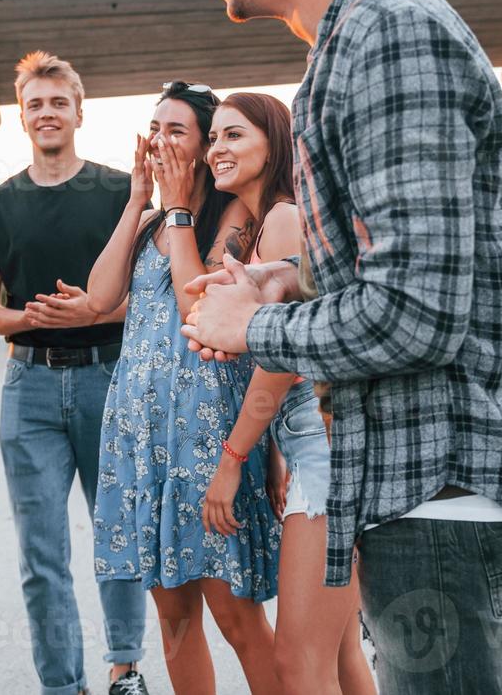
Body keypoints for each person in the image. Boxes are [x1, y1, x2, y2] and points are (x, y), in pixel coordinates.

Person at [171, 0, 502, 694]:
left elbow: (421, 314)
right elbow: (401, 268)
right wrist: (291, 277)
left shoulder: (387, 38)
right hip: (411, 493)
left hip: (446, 499)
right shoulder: (346, 47)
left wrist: (254, 330)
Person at [87, 82, 283, 695]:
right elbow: (99, 297)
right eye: (154, 128)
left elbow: (192, 302)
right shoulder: (150, 219)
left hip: (206, 431)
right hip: (141, 432)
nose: (159, 142)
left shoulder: (234, 218)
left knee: (235, 611)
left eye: (177, 131)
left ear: (203, 149)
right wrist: (137, 203)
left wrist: (176, 212)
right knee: (173, 617)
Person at [0, 51, 150, 695]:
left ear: (79, 111)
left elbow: (150, 297)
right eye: (35, 105)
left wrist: (93, 312)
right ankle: (60, 685)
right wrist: (36, 318)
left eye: (57, 102)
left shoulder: (117, 194)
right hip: (31, 387)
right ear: (22, 117)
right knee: (42, 556)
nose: (47, 113)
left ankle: (125, 668)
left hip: (110, 379)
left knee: (118, 532)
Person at [197, 93, 375, 695]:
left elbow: (281, 359)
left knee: (297, 665)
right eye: (214, 137)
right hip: (305, 452)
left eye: (235, 136)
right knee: (343, 656)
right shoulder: (258, 229)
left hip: (324, 458)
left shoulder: (282, 217)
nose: (217, 148)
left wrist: (234, 459)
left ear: (273, 143)